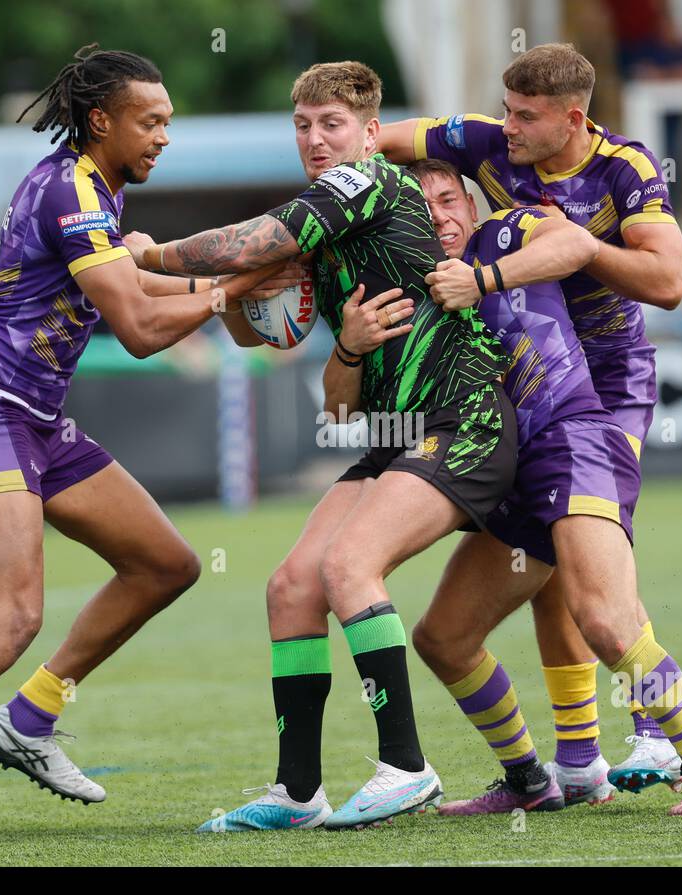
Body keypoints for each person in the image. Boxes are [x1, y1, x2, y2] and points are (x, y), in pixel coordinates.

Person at [0, 44, 280, 847]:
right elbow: (141, 330)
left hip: (36, 421)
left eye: (168, 123)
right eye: (150, 122)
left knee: (166, 565)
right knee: (10, 617)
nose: (164, 137)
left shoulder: (92, 189)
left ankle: (30, 717)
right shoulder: (72, 192)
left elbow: (139, 284)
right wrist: (230, 288)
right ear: (101, 120)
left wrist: (237, 283)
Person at [128, 61, 518, 831]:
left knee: (348, 566)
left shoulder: (363, 184)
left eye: (331, 124)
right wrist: (328, 339)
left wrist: (148, 255)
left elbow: (250, 242)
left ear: (371, 134)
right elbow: (315, 382)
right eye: (302, 125)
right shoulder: (331, 225)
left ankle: (406, 766)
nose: (314, 139)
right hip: (389, 438)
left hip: (461, 420)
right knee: (291, 587)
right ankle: (297, 792)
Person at [378, 42, 682, 798]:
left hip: (611, 377)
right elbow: (381, 140)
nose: (509, 128)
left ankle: (656, 737)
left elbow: (670, 281)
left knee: (593, 540)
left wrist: (580, 249)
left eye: (526, 117)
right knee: (551, 563)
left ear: (573, 119)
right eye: (507, 110)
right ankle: (581, 763)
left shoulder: (627, 170)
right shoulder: (491, 141)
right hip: (531, 370)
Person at [409, 158, 682, 815]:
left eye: (449, 199)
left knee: (606, 622)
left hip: (573, 443)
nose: (440, 215)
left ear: (472, 209)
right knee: (441, 636)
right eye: (422, 208)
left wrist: (482, 278)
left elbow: (573, 242)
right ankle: (532, 781)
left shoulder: (504, 234)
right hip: (506, 476)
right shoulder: (409, 289)